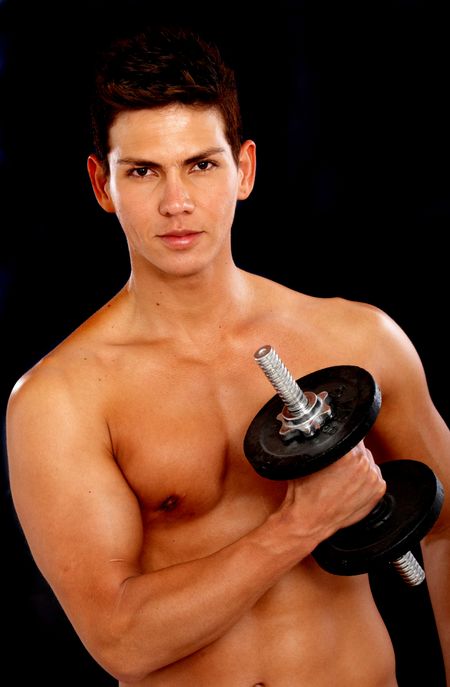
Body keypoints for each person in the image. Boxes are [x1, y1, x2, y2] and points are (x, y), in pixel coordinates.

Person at [6, 25, 450, 687]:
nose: (176, 202)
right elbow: (120, 639)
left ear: (243, 169)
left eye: (201, 164)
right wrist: (297, 528)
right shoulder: (62, 397)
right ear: (103, 184)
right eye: (143, 171)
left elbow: (444, 532)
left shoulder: (358, 338)